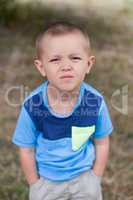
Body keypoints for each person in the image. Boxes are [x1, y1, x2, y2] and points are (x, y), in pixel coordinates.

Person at [12, 21, 113, 200]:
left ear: (88, 64)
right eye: (55, 59)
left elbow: (102, 141)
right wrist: (35, 184)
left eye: (75, 58)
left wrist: (95, 177)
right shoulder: (32, 106)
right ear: (41, 67)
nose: (66, 66)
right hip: (47, 183)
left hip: (84, 179)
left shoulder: (95, 103)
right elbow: (26, 149)